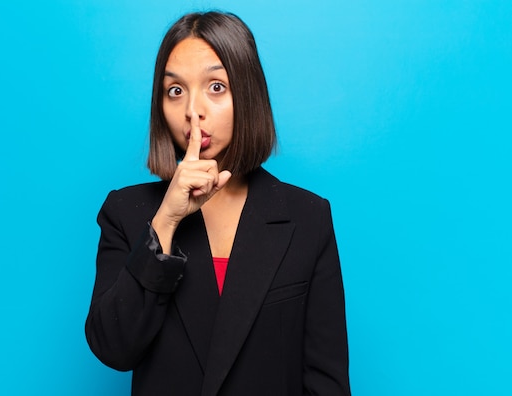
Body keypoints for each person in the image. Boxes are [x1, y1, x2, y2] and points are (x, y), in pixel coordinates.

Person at [85, 11, 351, 396]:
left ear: (247, 93)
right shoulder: (127, 213)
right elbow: (113, 348)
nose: (194, 110)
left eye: (216, 87)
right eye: (175, 91)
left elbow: (327, 381)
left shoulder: (308, 217)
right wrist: (166, 222)